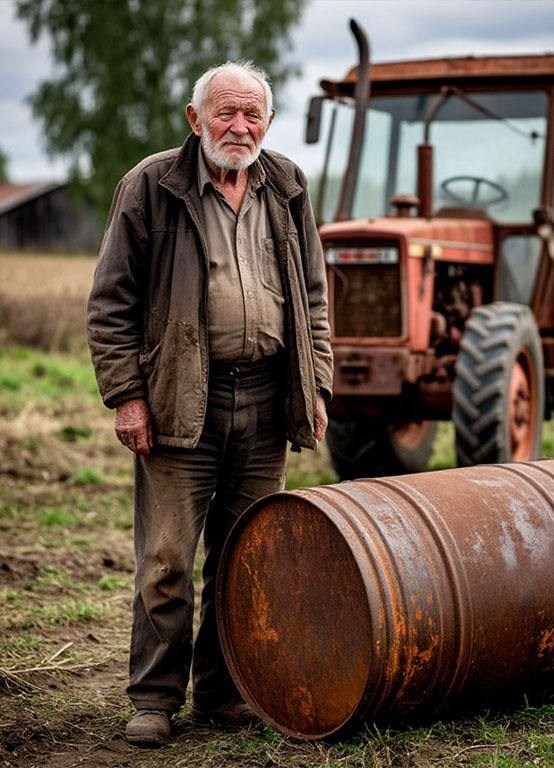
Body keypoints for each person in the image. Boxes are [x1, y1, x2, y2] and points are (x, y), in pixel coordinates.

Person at [87, 60, 333, 748]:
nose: (240, 126)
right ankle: (155, 700)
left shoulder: (286, 184)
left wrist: (316, 385)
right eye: (225, 112)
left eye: (253, 113)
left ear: (270, 123)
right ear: (195, 120)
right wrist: (127, 395)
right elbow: (111, 302)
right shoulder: (151, 185)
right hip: (177, 402)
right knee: (166, 559)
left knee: (246, 555)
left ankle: (225, 695)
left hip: (265, 398)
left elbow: (313, 294)